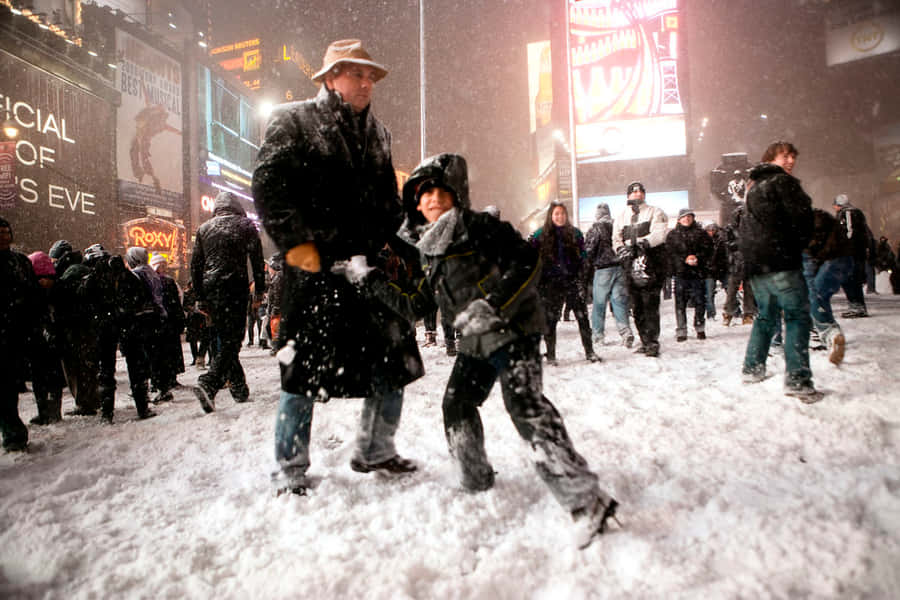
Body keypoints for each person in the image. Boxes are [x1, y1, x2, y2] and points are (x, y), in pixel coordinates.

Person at [369, 153, 617, 548]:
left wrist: (492, 304)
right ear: (414, 204)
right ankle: (475, 478)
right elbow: (417, 305)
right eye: (422, 194)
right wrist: (370, 281)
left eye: (438, 190)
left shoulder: (478, 226)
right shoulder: (428, 249)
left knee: (524, 405)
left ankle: (587, 501)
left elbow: (526, 261)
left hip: (513, 330)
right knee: (457, 403)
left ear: (454, 194)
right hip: (476, 342)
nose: (431, 199)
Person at [252, 39, 424, 494]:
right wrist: (294, 245)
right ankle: (290, 468)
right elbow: (268, 186)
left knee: (396, 359)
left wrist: (418, 250)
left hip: (368, 270)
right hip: (315, 270)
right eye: (356, 74)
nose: (367, 83)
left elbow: (389, 206)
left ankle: (375, 449)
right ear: (330, 78)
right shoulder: (293, 121)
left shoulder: (379, 133)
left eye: (371, 76)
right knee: (301, 371)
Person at [739, 141, 817, 400]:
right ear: (771, 157)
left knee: (766, 315)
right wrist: (801, 242)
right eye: (785, 155)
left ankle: (753, 367)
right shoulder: (783, 183)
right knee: (796, 316)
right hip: (782, 259)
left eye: (793, 156)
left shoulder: (751, 187)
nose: (791, 160)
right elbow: (802, 219)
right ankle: (798, 380)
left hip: (757, 264)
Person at [190, 191, 266, 411]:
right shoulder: (246, 225)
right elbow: (257, 261)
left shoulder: (204, 229)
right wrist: (259, 290)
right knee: (233, 340)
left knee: (226, 338)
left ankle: (239, 388)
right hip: (235, 286)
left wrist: (200, 298)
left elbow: (195, 266)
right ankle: (210, 381)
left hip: (211, 288)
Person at [529, 202, 600, 363]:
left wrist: (584, 278)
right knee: (551, 320)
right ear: (551, 216)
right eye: (556, 214)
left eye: (562, 214)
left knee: (582, 318)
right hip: (550, 284)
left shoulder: (575, 233)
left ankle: (589, 351)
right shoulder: (541, 234)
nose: (559, 217)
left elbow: (583, 257)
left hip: (572, 281)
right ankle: (551, 355)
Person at [612, 181, 669, 357]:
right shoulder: (621, 215)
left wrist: (644, 244)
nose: (636, 194)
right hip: (629, 264)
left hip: (650, 263)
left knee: (650, 304)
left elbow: (660, 233)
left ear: (644, 194)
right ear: (628, 195)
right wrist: (621, 249)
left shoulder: (655, 211)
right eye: (633, 192)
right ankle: (644, 339)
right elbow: (616, 237)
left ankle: (652, 341)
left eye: (639, 191)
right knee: (636, 305)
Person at [1, 217, 40, 450]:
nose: (4, 236)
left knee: (9, 385)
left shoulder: (20, 261)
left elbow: (32, 294)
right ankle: (12, 430)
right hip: (7, 331)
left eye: (7, 231)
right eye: (0, 232)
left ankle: (13, 432)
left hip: (15, 334)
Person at [803, 209, 853, 365]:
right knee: (819, 297)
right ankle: (828, 334)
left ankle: (830, 334)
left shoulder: (804, 224)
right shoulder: (817, 216)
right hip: (844, 259)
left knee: (815, 296)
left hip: (833, 259)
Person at [583, 203, 633, 347]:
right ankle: (625, 332)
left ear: (598, 214)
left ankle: (598, 336)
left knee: (599, 304)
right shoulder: (617, 226)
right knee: (619, 303)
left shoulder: (596, 228)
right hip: (619, 268)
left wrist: (587, 268)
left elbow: (589, 250)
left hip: (603, 269)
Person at [27, 251, 65, 425]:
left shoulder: (32, 290)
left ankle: (45, 412)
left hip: (39, 339)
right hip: (53, 338)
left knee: (40, 377)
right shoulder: (58, 287)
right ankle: (54, 410)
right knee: (52, 375)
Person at [665, 208, 713, 341]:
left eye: (689, 217)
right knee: (680, 303)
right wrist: (683, 260)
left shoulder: (701, 234)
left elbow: (709, 251)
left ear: (693, 218)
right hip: (681, 274)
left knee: (700, 301)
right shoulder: (673, 235)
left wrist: (697, 258)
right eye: (684, 217)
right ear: (679, 219)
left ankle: (700, 327)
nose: (686, 219)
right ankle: (681, 330)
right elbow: (670, 254)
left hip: (698, 273)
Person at [149, 254, 185, 403]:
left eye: (164, 265)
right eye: (160, 265)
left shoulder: (169, 282)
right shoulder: (154, 281)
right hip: (161, 323)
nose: (162, 268)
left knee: (170, 352)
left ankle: (171, 378)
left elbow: (177, 301)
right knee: (161, 354)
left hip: (169, 323)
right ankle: (159, 381)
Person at [832, 194, 872, 318]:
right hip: (854, 251)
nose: (834, 208)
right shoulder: (852, 213)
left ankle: (857, 306)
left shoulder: (848, 213)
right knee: (851, 279)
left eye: (835, 205)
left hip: (852, 252)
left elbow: (850, 231)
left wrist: (844, 247)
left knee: (850, 279)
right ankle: (856, 305)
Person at [722, 203, 757, 326]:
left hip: (747, 262)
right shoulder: (730, 229)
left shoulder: (752, 229)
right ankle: (729, 313)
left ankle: (748, 313)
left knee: (749, 289)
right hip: (736, 263)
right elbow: (726, 244)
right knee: (732, 290)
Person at [704, 222, 728, 320]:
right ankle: (710, 314)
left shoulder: (722, 240)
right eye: (709, 230)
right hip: (711, 270)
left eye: (713, 230)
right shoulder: (703, 241)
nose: (711, 232)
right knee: (709, 294)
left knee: (729, 291)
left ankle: (735, 311)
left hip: (720, 269)